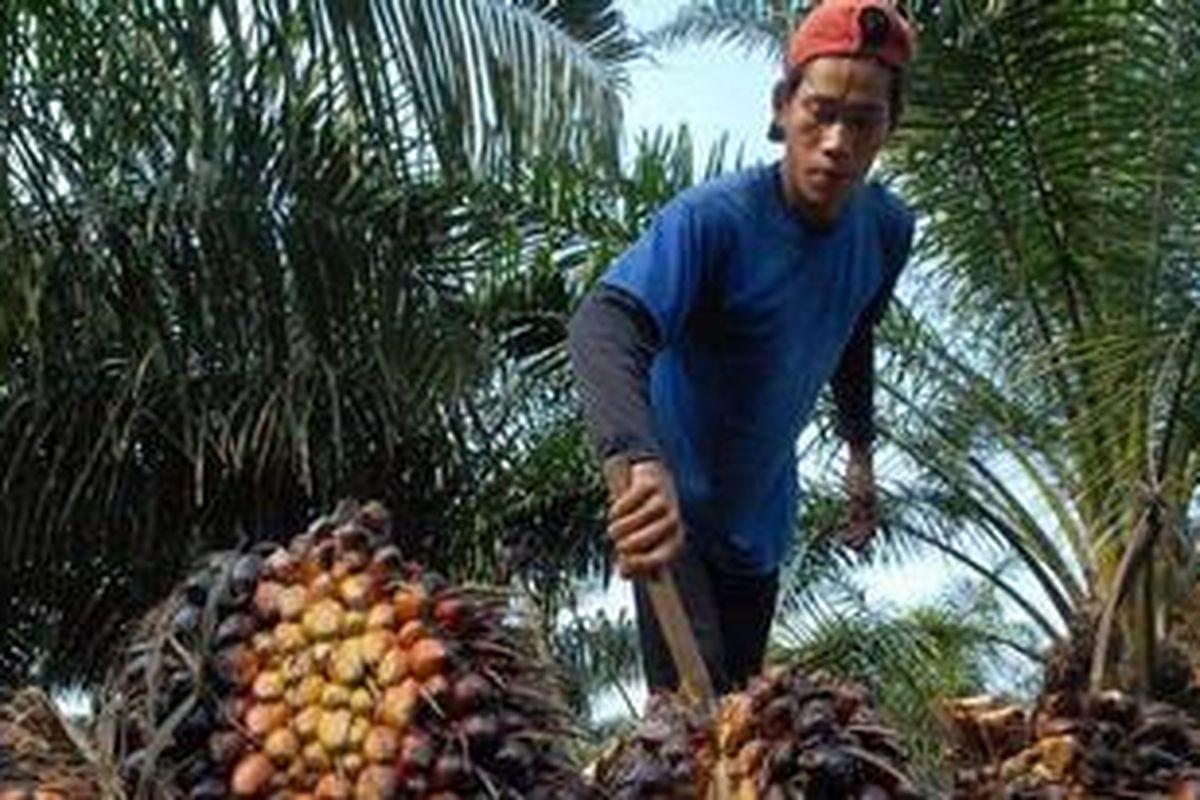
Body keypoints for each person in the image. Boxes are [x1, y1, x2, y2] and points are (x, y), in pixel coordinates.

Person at [567, 0, 919, 695]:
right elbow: (604, 324)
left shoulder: (885, 230)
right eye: (820, 111)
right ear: (783, 108)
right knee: (694, 729)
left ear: (889, 130)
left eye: (863, 120)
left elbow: (854, 332)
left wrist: (859, 454)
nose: (837, 141)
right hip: (673, 520)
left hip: (760, 524)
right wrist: (636, 460)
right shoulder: (714, 222)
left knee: (745, 721)